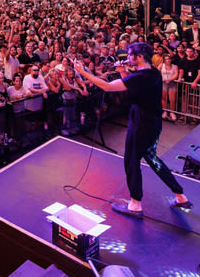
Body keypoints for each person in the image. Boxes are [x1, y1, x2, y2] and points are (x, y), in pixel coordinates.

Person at [74, 42, 190, 217]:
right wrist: (123, 72)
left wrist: (83, 72)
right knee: (152, 158)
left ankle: (135, 204)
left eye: (130, 55)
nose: (127, 59)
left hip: (140, 125)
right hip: (153, 124)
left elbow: (107, 86)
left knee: (131, 160)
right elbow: (134, 84)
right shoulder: (153, 73)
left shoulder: (139, 77)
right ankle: (180, 195)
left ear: (139, 57)